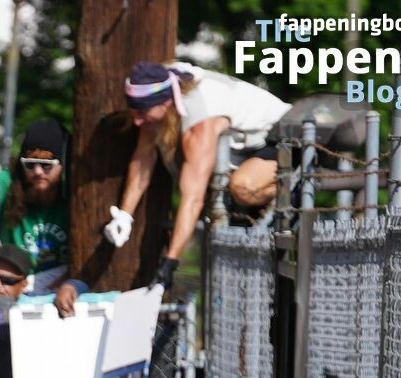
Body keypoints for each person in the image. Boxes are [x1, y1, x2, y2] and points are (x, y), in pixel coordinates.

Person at [105, 61, 287, 289]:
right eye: (134, 111)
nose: (137, 121)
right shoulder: (161, 89)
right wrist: (125, 215)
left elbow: (192, 198)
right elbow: (143, 159)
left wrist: (170, 262)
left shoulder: (200, 118)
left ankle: (294, 187)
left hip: (286, 139)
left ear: (166, 102)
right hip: (246, 149)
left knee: (242, 187)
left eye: (142, 112)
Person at [0, 120, 72, 287]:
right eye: (30, 164)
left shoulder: (75, 192)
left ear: (63, 165)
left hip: (63, 285)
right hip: (12, 286)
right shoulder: (9, 184)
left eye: (47, 165)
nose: (37, 171)